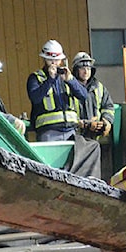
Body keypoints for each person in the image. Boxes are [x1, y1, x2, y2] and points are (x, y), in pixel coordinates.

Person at [26, 39, 101, 178]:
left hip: (70, 132)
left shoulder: (67, 78)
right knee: (50, 171)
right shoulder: (36, 78)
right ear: (44, 60)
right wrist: (50, 79)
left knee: (76, 166)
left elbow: (84, 96)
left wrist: (71, 80)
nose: (54, 64)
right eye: (50, 61)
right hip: (48, 133)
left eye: (57, 60)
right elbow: (35, 98)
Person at [70, 51, 115, 169]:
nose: (86, 72)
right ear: (75, 70)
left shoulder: (99, 87)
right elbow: (67, 113)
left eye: (89, 68)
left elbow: (108, 106)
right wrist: (85, 124)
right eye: (82, 68)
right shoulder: (68, 87)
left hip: (96, 138)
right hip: (76, 138)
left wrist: (106, 121)